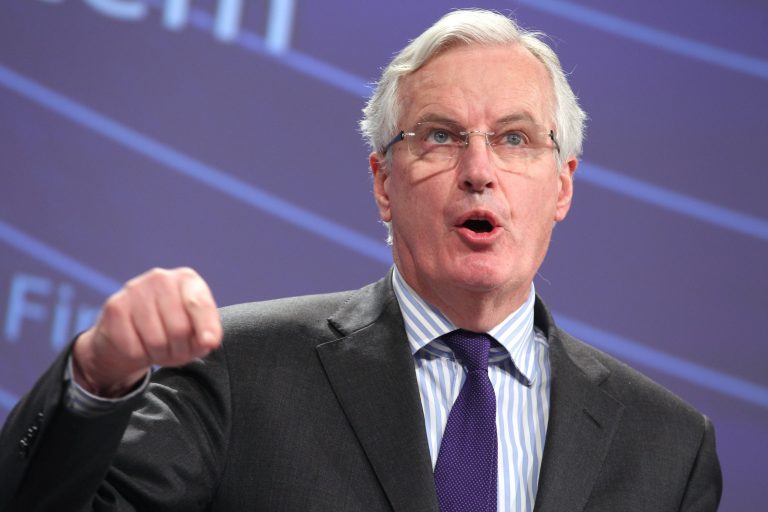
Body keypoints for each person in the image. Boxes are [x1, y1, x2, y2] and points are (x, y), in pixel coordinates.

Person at [0, 8, 721, 512]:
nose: (479, 170)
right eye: (440, 136)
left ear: (561, 185)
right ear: (383, 183)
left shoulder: (666, 445)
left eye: (515, 138)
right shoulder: (239, 374)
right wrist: (96, 379)